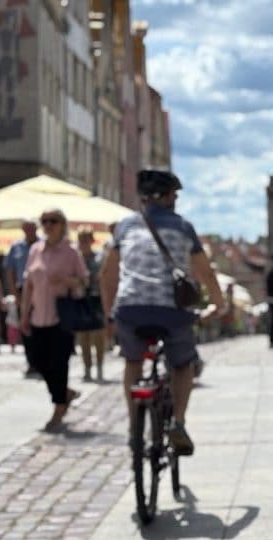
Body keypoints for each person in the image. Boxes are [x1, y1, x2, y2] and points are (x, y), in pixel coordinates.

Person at [100, 168, 224, 456]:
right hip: (172, 311)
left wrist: (109, 314)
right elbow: (205, 271)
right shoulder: (183, 227)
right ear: (169, 198)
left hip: (129, 309)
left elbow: (107, 275)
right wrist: (218, 304)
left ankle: (134, 428)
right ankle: (178, 423)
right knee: (183, 365)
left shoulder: (125, 227)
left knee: (133, 362)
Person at [20, 208, 88, 432]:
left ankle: (59, 407)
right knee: (38, 362)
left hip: (62, 317)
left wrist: (67, 280)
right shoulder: (35, 250)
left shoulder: (71, 252)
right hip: (38, 315)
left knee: (59, 364)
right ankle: (65, 393)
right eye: (45, 221)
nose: (48, 225)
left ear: (62, 224)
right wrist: (23, 315)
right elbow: (28, 285)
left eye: (53, 221)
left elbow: (84, 281)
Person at [4, 220, 40, 376]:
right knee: (25, 327)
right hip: (21, 289)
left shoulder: (43, 245)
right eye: (27, 228)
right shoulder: (16, 247)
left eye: (32, 228)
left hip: (40, 291)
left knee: (41, 327)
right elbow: (10, 271)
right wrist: (15, 294)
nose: (29, 231)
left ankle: (41, 362)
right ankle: (31, 362)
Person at [74, 227, 106, 382]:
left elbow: (103, 279)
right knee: (83, 337)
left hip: (96, 299)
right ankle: (87, 368)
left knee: (98, 337)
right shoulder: (74, 258)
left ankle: (99, 367)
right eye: (81, 239)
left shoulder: (99, 258)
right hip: (80, 300)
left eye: (86, 239)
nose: (84, 243)